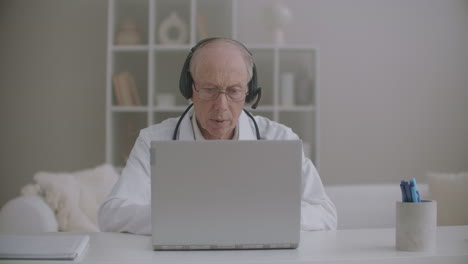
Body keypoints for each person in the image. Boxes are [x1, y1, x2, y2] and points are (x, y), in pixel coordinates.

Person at [98, 37, 337, 234]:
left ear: (249, 92)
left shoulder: (281, 138)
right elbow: (113, 214)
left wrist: (253, 217)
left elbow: (325, 213)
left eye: (234, 91)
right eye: (209, 90)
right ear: (189, 89)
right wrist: (195, 218)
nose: (221, 106)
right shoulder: (153, 141)